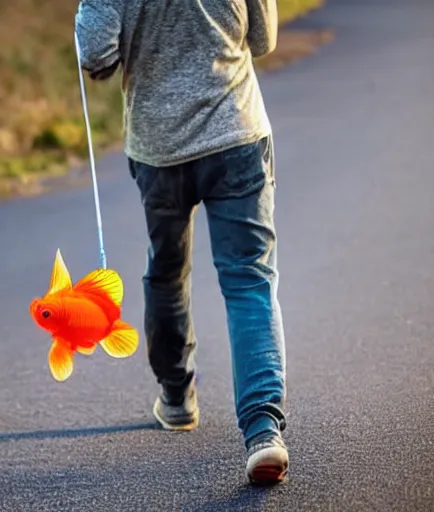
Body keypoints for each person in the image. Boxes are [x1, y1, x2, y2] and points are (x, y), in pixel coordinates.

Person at [75, 0, 288, 485]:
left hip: (160, 151)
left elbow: (96, 56)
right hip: (236, 135)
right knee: (249, 281)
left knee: (168, 272)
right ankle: (263, 432)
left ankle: (176, 397)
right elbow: (263, 40)